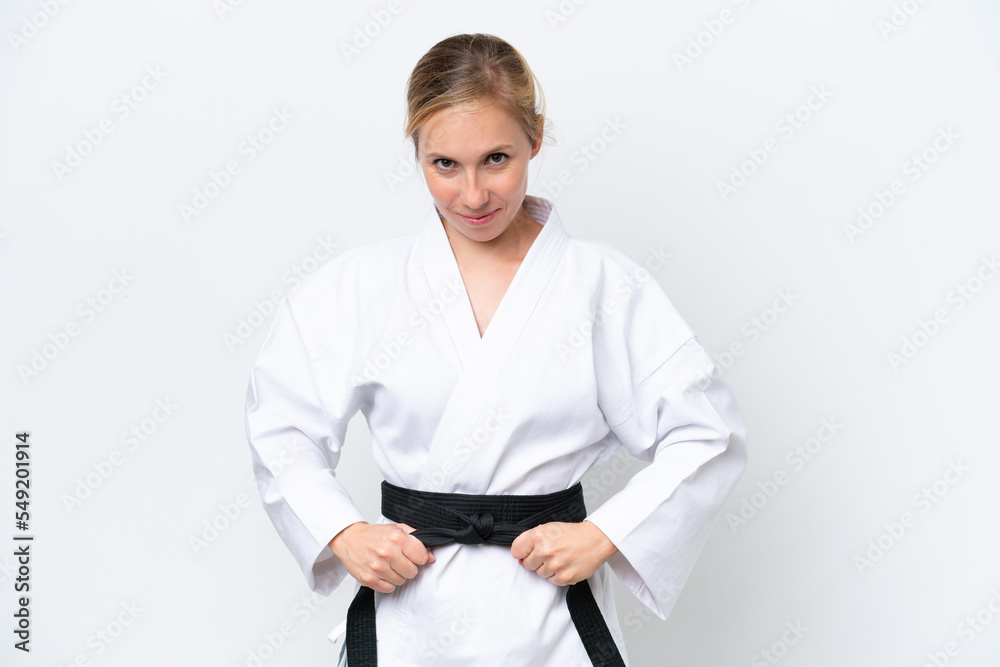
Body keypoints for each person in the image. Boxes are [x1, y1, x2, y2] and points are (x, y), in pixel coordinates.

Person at [244, 32, 747, 666]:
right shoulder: (358, 287)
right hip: (408, 616)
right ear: (417, 153)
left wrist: (605, 535)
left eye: (497, 159)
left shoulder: (603, 286)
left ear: (536, 138)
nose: (474, 195)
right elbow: (281, 426)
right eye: (444, 165)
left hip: (551, 623)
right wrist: (342, 531)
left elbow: (707, 433)